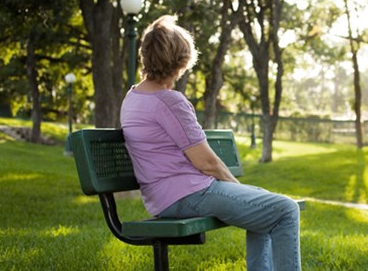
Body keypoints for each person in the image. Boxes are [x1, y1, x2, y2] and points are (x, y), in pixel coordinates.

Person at [120, 15, 301, 271]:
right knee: (285, 210)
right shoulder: (169, 101)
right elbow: (207, 163)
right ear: (180, 62)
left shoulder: (133, 97)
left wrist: (244, 193)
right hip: (188, 194)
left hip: (166, 196)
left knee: (263, 204)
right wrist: (238, 187)